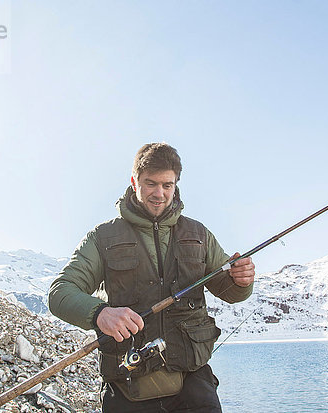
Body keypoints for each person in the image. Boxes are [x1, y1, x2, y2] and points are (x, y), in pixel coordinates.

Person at [49, 143, 255, 412]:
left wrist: (242, 281)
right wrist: (100, 313)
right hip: (126, 385)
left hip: (193, 384)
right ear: (135, 181)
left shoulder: (199, 234)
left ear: (176, 184)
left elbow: (230, 292)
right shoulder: (102, 238)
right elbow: (60, 293)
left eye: (167, 185)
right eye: (150, 184)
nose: (159, 194)